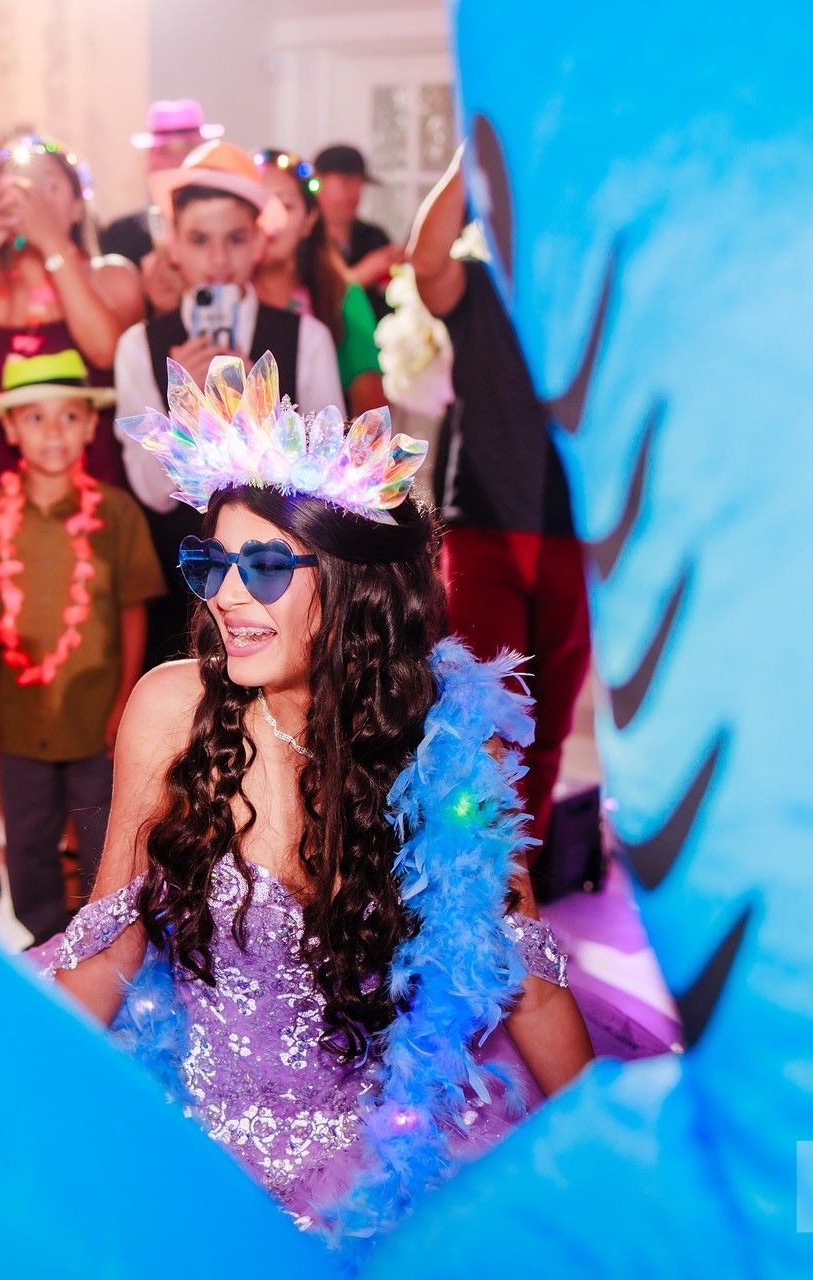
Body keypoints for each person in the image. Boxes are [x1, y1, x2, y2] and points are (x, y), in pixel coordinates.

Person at [40, 354, 667, 1237]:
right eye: (209, 562)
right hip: (188, 1152)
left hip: (377, 1176)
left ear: (353, 586)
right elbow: (110, 943)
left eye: (263, 566)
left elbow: (518, 973)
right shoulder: (171, 709)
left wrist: (618, 1170)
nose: (225, 596)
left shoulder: (451, 743)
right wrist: (8, 1106)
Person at [0, 351, 165, 943]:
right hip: (19, 718)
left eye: (68, 417)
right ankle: (42, 937)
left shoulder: (117, 514)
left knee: (102, 837)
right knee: (28, 838)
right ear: (10, 429)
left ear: (90, 426)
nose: (53, 433)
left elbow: (133, 612)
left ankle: (98, 944)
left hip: (95, 719)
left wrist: (124, 704)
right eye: (35, 418)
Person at [406, 143, 588, 850]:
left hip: (576, 532)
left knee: (549, 727)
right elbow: (426, 262)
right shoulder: (482, 290)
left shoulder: (600, 300)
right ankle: (467, 877)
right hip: (484, 524)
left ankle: (517, 879)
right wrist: (472, 147)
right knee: (480, 721)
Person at [111, 140, 345, 664]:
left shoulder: (305, 338)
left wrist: (252, 406)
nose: (217, 260)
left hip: (277, 590)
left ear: (259, 240)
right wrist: (187, 411)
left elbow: (325, 485)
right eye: (199, 240)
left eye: (235, 239)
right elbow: (154, 495)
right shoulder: (139, 346)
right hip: (176, 586)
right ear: (173, 243)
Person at [0, 134, 141, 495]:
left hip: (90, 500)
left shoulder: (110, 278)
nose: (34, 199)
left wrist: (51, 241)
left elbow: (105, 353)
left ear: (77, 208)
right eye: (19, 185)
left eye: (50, 187)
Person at [253, 148, 387, 416]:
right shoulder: (223, 299)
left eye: (285, 206)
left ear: (309, 220)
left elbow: (371, 418)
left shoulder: (341, 297)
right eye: (258, 206)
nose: (270, 222)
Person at [101, 99, 224, 315]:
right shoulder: (121, 235)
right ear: (149, 161)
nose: (178, 160)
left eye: (189, 148)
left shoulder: (229, 227)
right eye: (165, 151)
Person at [312, 143, 403, 302]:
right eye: (346, 183)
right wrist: (361, 276)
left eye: (360, 184)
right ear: (317, 183)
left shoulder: (375, 237)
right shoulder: (305, 240)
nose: (355, 194)